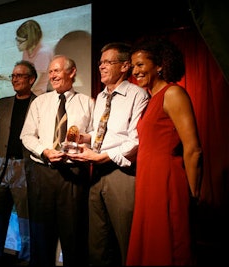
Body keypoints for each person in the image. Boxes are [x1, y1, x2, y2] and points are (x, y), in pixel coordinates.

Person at [67, 42, 150, 266]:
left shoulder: (138, 94)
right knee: (98, 242)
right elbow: (99, 133)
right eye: (100, 62)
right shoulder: (101, 96)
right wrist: (81, 139)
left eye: (107, 62)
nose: (102, 67)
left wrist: (102, 157)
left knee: (125, 239)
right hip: (97, 173)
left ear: (125, 66)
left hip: (122, 174)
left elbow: (136, 140)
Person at [126, 37, 203, 266]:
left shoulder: (173, 94)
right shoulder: (151, 99)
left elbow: (193, 149)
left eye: (140, 64)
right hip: (148, 181)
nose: (135, 71)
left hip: (167, 180)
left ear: (159, 65)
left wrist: (193, 193)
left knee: (170, 243)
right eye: (133, 66)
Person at [20, 55, 95, 267]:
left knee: (74, 237)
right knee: (42, 238)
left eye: (57, 70)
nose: (52, 75)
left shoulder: (87, 103)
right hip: (43, 174)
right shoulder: (40, 103)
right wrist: (45, 151)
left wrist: (82, 141)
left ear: (72, 72)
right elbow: (26, 136)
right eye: (51, 71)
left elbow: (95, 136)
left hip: (73, 177)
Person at [0, 60, 37, 266]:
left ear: (31, 79)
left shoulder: (40, 104)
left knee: (26, 222)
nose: (15, 79)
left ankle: (26, 260)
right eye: (13, 76)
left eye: (20, 76)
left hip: (25, 168)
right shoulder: (0, 105)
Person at [15, 19, 54, 96]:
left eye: (20, 41)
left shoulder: (43, 53)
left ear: (30, 40)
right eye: (16, 40)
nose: (17, 44)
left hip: (40, 95)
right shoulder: (26, 50)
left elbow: (33, 83)